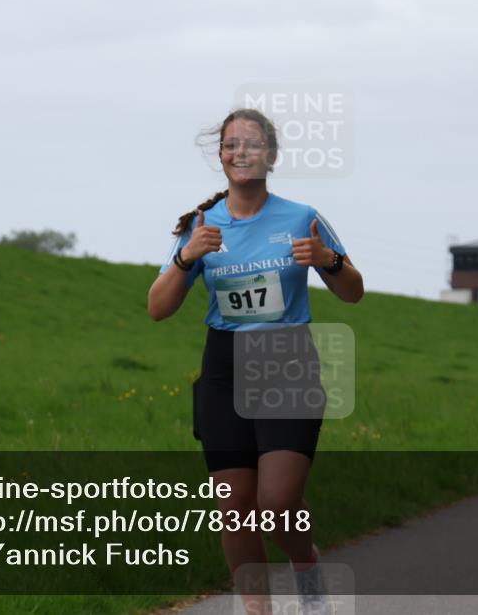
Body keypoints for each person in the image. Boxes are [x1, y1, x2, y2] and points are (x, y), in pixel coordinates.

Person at [147, 108, 363, 615]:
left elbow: (353, 292)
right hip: (224, 370)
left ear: (271, 155)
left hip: (286, 361)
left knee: (277, 504)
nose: (240, 152)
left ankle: (305, 565)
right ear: (220, 156)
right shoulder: (201, 226)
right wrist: (186, 258)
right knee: (235, 511)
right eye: (230, 145)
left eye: (250, 144)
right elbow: (157, 308)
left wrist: (327, 261)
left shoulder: (300, 216)